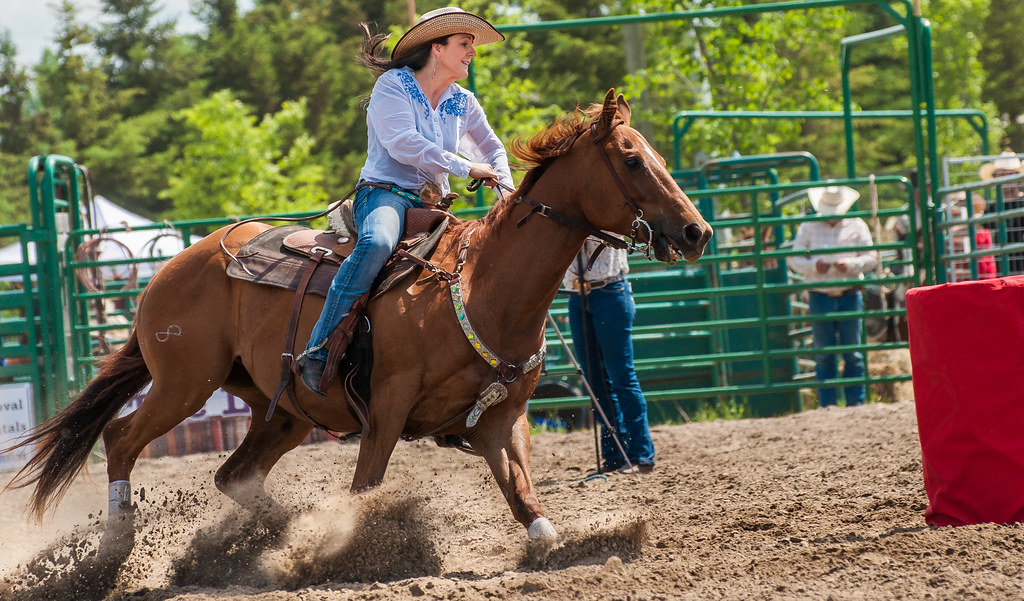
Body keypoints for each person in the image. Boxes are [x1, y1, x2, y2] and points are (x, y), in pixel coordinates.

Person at [296, 7, 514, 395]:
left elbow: (493, 147)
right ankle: (317, 347)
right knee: (377, 242)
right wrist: (466, 168)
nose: (472, 53)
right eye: (465, 44)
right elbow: (402, 143)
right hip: (384, 194)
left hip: (432, 206)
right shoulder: (393, 86)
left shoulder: (463, 101)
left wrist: (507, 193)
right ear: (438, 47)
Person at [564, 237, 655, 474]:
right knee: (595, 381)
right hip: (577, 296)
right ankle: (614, 454)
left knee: (622, 377)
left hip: (610, 291)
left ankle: (640, 455)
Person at [790, 186, 878, 408]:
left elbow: (871, 257)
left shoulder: (856, 224)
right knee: (825, 353)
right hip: (821, 294)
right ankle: (828, 405)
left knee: (851, 353)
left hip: (848, 293)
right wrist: (813, 266)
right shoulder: (809, 226)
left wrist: (850, 265)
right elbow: (794, 259)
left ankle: (854, 403)